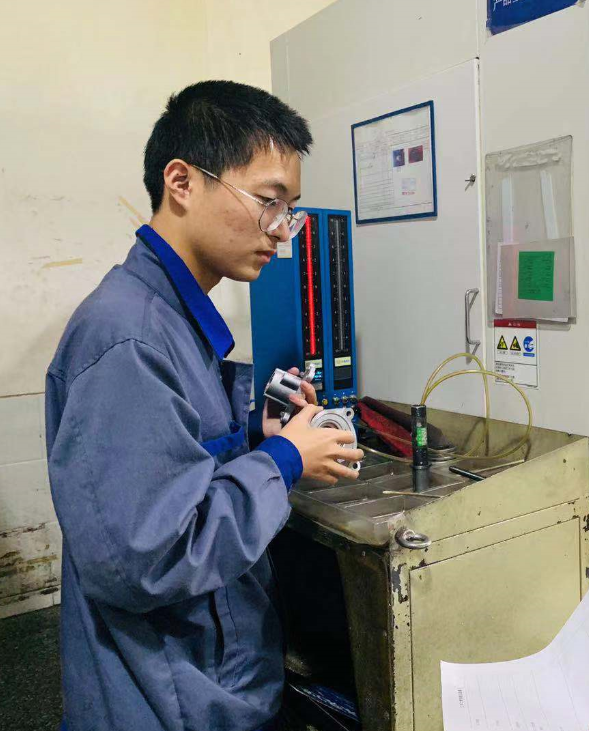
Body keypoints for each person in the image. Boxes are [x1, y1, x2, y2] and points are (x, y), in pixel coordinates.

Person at [45, 80, 363, 731]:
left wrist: (254, 429)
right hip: (168, 702)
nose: (282, 231)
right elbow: (152, 556)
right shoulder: (128, 337)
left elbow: (176, 453)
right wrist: (283, 459)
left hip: (204, 677)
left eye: (291, 210)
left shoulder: (169, 319)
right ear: (182, 183)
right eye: (269, 202)